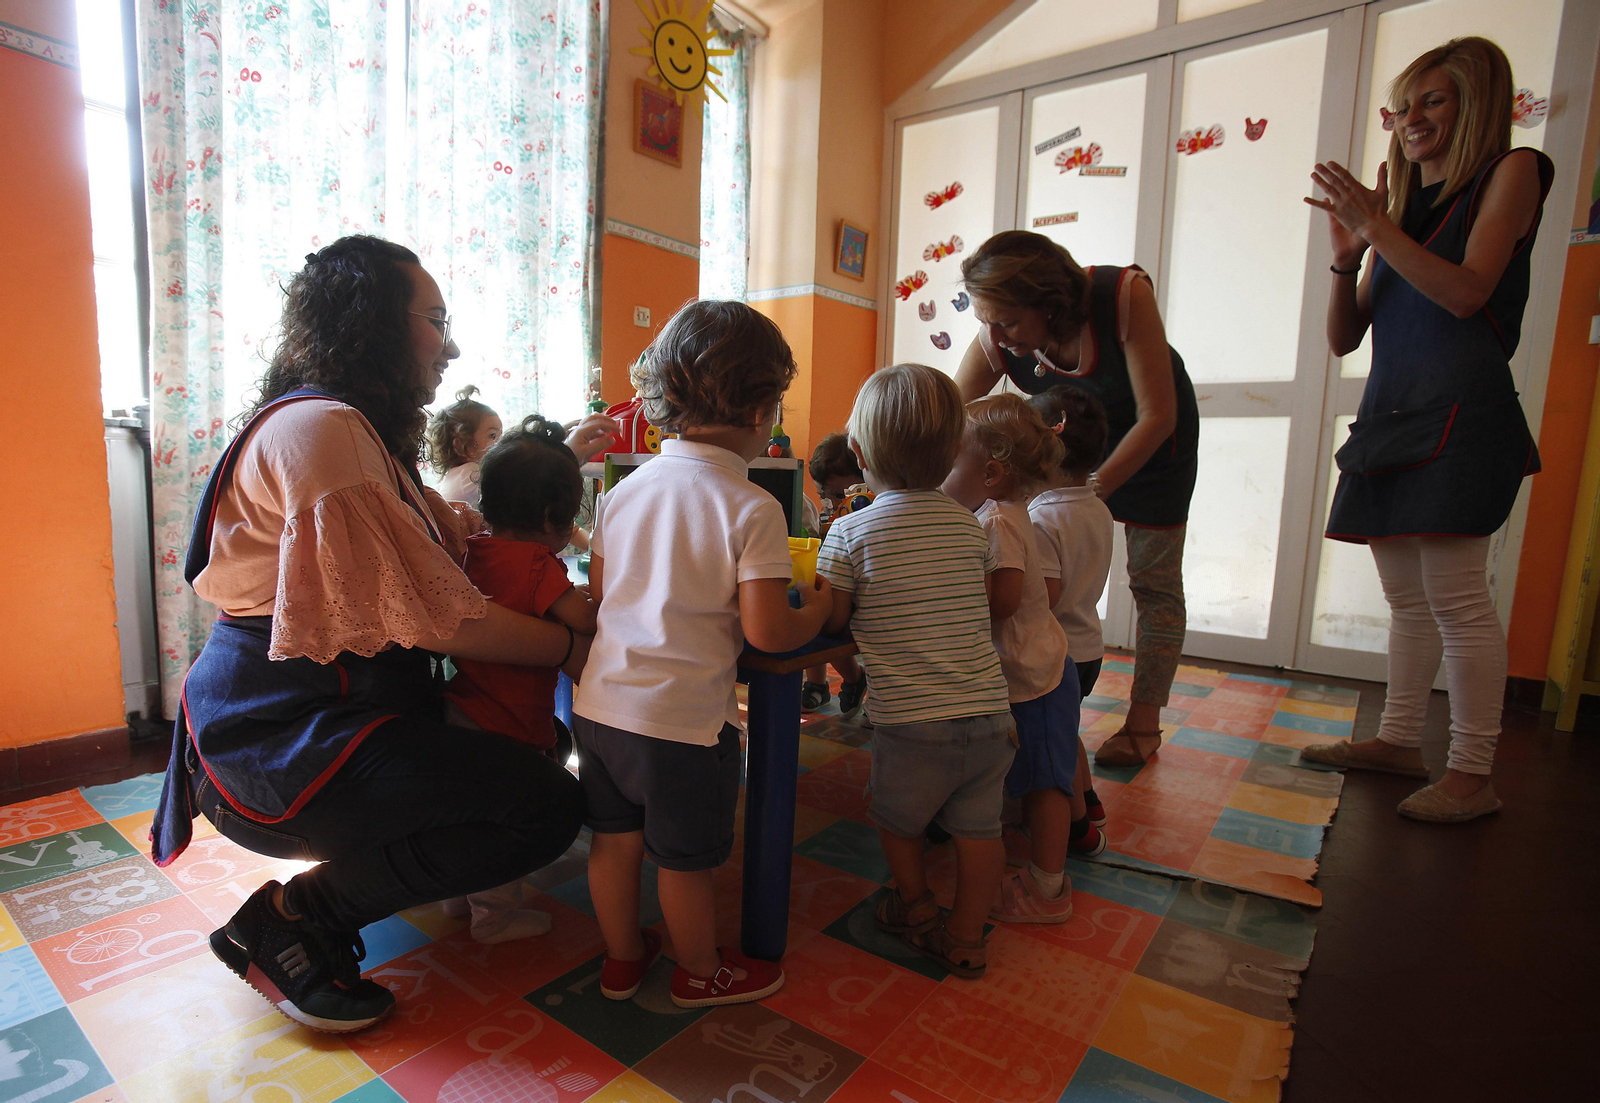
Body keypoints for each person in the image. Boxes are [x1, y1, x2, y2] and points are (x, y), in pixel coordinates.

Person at [150, 236, 588, 1033]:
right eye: (436, 320)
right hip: (277, 740)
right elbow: (444, 616)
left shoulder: (351, 433)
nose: (449, 344)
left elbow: (452, 543)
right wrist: (569, 646)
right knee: (548, 804)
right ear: (373, 323)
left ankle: (363, 885)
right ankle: (292, 916)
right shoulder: (323, 434)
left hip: (327, 718)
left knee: (535, 741)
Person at [1299, 37, 1552, 823]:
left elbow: (1469, 291)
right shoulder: (1398, 212)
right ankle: (1400, 739)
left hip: (1461, 415)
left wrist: (1378, 230)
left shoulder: (1513, 171)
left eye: (1432, 101)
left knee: (1457, 599)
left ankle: (1473, 774)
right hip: (1392, 414)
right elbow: (1346, 338)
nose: (1411, 120)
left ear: (1475, 102)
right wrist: (1348, 256)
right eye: (1404, 106)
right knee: (1406, 601)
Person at [573, 300, 833, 1008]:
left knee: (614, 842)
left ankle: (624, 959)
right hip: (681, 727)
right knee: (683, 862)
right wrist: (823, 607)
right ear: (762, 410)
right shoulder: (753, 507)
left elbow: (604, 594)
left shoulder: (622, 493)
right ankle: (699, 970)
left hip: (598, 709)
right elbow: (769, 633)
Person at [955, 231, 1198, 768]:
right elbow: (951, 414)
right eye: (986, 321)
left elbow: (1158, 415)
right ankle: (1053, 689)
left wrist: (1084, 494)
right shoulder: (998, 333)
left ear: (1049, 302)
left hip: (1155, 445)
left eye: (1008, 322)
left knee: (1154, 585)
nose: (994, 336)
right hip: (1064, 460)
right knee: (1056, 575)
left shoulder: (1123, 295)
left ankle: (1144, 723)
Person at [817, 364, 1016, 978]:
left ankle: (916, 906)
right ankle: (964, 938)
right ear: (956, 451)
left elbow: (833, 620)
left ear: (856, 451)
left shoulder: (850, 529)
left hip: (912, 721)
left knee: (897, 822)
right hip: (989, 713)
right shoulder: (968, 524)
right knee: (980, 834)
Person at [440, 414, 600, 943]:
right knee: (505, 826)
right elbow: (582, 621)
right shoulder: (538, 566)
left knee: (462, 814)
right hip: (510, 722)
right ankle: (496, 917)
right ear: (554, 516)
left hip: (462, 708)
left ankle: (453, 899)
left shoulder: (474, 551)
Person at [942, 393, 1077, 924]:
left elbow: (1004, 600)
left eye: (951, 462)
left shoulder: (996, 520)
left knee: (1047, 783)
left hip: (1035, 678)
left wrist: (950, 592)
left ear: (991, 474)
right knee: (1025, 770)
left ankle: (1048, 887)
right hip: (1029, 671)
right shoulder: (1005, 511)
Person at [1027, 386, 1115, 857]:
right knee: (1068, 728)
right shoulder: (1097, 507)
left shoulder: (1041, 519)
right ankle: (1092, 799)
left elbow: (1045, 597)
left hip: (1055, 654)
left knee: (1051, 741)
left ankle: (1078, 827)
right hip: (1090, 648)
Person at [802, 432, 868, 718]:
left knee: (832, 622)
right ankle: (816, 682)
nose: (832, 502)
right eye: (824, 495)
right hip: (833, 586)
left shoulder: (869, 516)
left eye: (841, 494)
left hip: (860, 596)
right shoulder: (832, 520)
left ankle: (856, 679)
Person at [428, 385, 501, 508]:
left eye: (501, 435)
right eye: (492, 436)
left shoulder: (455, 474)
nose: (500, 442)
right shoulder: (472, 474)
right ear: (461, 445)